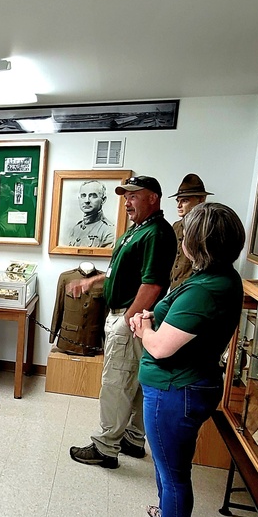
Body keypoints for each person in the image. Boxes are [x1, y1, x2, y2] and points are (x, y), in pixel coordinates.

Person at [123, 203, 245, 517]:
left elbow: (160, 347)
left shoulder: (208, 289)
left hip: (177, 389)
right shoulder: (216, 277)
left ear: (200, 242)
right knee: (168, 461)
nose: (182, 241)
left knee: (173, 469)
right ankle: (169, 512)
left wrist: (144, 328)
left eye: (187, 235)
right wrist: (153, 320)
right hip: (184, 384)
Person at [68, 175, 176, 469]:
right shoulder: (137, 231)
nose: (127, 202)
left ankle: (105, 448)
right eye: (125, 197)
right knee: (137, 383)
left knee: (116, 383)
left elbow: (152, 285)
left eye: (134, 196)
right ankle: (132, 439)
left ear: (153, 197)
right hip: (131, 317)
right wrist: (95, 281)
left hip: (130, 317)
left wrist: (125, 321)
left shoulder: (157, 233)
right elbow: (120, 271)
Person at [167, 174, 211, 290]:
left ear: (201, 200)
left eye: (185, 200)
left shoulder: (209, 228)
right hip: (174, 290)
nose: (179, 205)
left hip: (196, 289)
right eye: (178, 201)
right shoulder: (176, 227)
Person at [66, 181, 115, 248]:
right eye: (83, 196)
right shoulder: (75, 229)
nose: (87, 200)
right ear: (79, 199)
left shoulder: (109, 231)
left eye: (93, 196)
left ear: (103, 200)